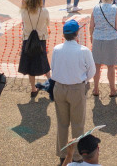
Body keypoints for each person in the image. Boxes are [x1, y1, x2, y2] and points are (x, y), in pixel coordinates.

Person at [51, 19, 96, 164]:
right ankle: (76, 156)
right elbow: (92, 71)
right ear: (77, 33)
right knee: (78, 124)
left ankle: (63, 154)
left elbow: (54, 67)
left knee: (62, 123)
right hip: (77, 88)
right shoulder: (83, 51)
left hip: (59, 87)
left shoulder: (57, 49)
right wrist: (83, 80)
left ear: (64, 34)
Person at [90, 0, 117, 97]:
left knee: (97, 65)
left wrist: (91, 36)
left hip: (98, 38)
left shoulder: (95, 8)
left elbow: (91, 26)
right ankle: (113, 90)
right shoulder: (115, 9)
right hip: (111, 39)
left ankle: (95, 89)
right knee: (110, 66)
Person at [20, 0, 51, 98]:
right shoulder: (44, 11)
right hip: (41, 39)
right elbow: (48, 23)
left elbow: (23, 23)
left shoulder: (24, 12)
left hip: (27, 39)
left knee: (30, 64)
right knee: (44, 62)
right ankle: (52, 84)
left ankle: (33, 89)